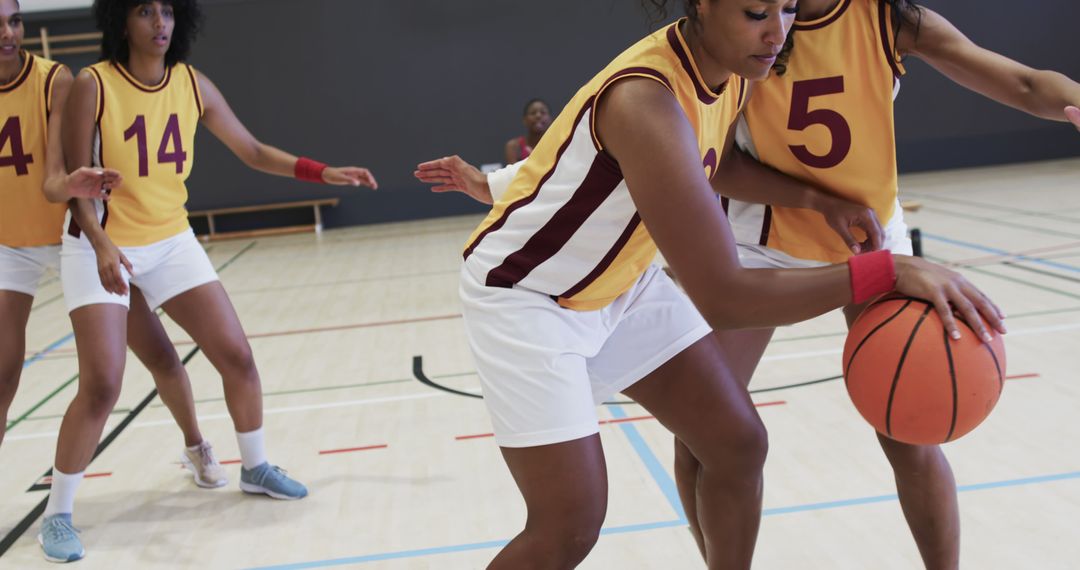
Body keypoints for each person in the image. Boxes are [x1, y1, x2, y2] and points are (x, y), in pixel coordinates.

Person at [418, 1, 1003, 567]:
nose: (777, 33)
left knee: (737, 443)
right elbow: (725, 296)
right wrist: (890, 269)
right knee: (567, 526)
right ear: (702, 5)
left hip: (619, 288)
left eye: (788, 9)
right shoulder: (646, 98)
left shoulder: (732, 70)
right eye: (756, 14)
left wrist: (814, 197)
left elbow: (710, 161)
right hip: (528, 297)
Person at [684, 1, 1080, 567]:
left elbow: (1023, 83)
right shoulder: (749, 20)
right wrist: (818, 199)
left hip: (868, 230)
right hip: (765, 232)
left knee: (912, 428)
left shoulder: (888, 17)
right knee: (703, 432)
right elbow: (713, 163)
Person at [38, 0, 378, 562]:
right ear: (121, 20)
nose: (160, 23)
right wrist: (101, 245)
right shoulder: (92, 85)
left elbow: (251, 150)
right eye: (145, 11)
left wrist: (323, 171)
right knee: (102, 384)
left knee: (237, 356)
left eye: (168, 11)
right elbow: (76, 184)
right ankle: (58, 515)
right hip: (99, 241)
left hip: (171, 240)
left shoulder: (192, 83)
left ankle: (255, 467)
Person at [0, 0, 226, 497]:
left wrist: (91, 221)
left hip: (74, 234)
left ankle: (195, 444)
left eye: (15, 20)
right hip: (9, 246)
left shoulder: (56, 80)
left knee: (161, 357)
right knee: (3, 372)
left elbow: (56, 182)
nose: (9, 32)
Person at [503, 98, 551, 165]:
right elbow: (514, 175)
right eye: (533, 113)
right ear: (524, 120)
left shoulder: (557, 144)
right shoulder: (514, 146)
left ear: (549, 119)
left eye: (543, 112)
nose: (538, 116)